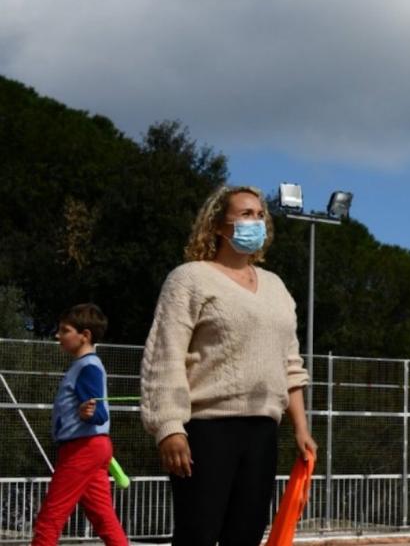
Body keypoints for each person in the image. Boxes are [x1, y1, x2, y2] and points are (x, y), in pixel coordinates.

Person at [140, 185, 316, 545]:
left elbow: (290, 364)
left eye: (260, 215)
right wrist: (169, 426)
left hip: (263, 432)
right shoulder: (189, 278)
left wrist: (301, 428)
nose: (257, 221)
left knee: (246, 536)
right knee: (199, 534)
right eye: (246, 214)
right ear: (219, 225)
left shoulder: (277, 287)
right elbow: (165, 354)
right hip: (206, 430)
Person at [31, 304, 128, 546]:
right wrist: (87, 413)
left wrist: (89, 414)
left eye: (64, 330)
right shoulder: (85, 366)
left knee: (50, 516)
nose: (58, 335)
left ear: (85, 335)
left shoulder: (87, 367)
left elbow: (99, 413)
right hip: (91, 448)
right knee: (103, 516)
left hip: (82, 448)